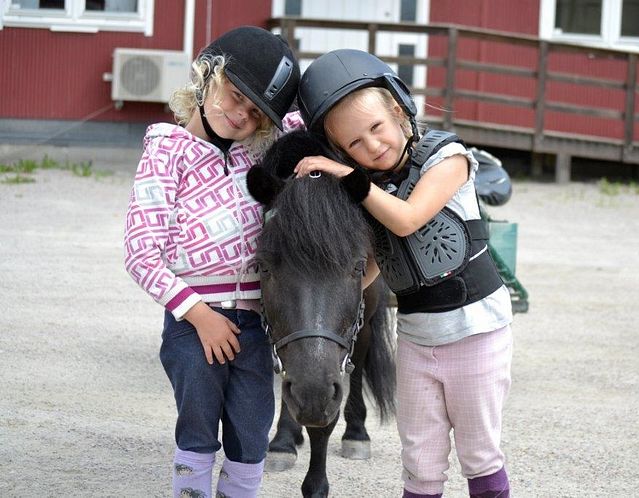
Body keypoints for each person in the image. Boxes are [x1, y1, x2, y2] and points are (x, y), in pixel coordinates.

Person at [294, 49, 514, 498]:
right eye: (355, 144)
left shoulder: (448, 157)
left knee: (479, 453)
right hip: (417, 335)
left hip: (475, 328)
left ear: (398, 111)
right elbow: (379, 258)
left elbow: (409, 219)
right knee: (420, 458)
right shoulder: (372, 188)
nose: (372, 146)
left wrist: (344, 175)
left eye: (376, 128)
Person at [123, 26, 302, 498]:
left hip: (253, 323)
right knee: (199, 421)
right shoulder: (167, 150)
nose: (239, 114)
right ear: (207, 77)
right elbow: (141, 255)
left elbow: (306, 119)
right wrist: (201, 317)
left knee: (253, 424)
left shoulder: (257, 151)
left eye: (255, 111)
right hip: (193, 318)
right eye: (234, 94)